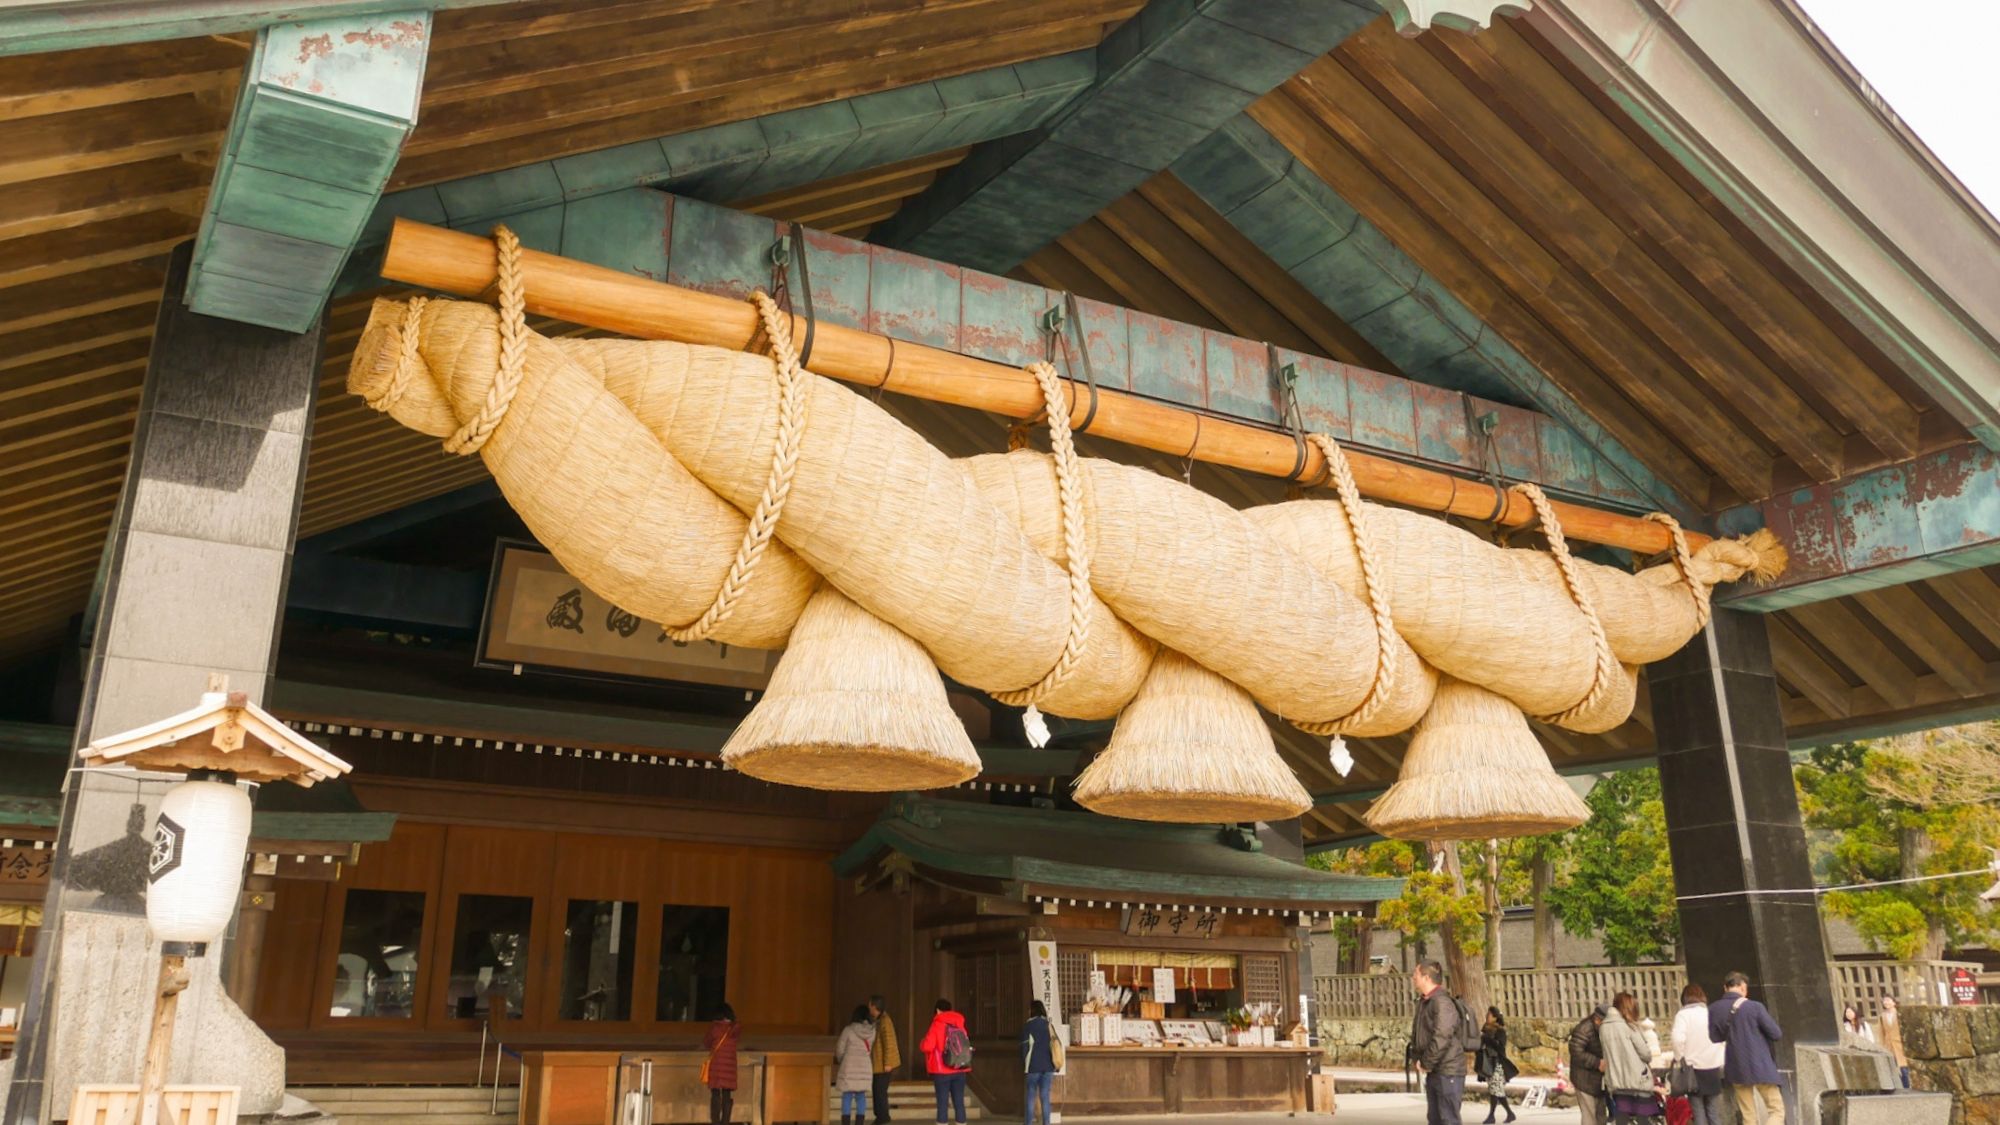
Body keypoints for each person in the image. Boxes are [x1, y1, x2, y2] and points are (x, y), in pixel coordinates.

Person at [1709, 973, 1784, 1125]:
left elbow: (1715, 1038)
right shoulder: (1754, 1007)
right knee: (1776, 1110)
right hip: (1760, 1065)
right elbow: (1776, 1034)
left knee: (1748, 1115)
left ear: (1725, 988)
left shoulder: (1713, 1009)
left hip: (1736, 1066)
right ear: (1743, 987)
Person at [1409, 961, 1465, 1125]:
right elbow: (1421, 1035)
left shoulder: (1441, 1002)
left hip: (1448, 1070)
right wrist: (1417, 1058)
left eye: (1416, 974)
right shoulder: (1425, 1001)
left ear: (1426, 978)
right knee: (1435, 1119)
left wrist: (1426, 1062)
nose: (1413, 977)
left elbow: (1442, 1036)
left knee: (1448, 1119)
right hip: (1436, 1070)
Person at [1601, 992, 1667, 1125]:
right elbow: (1645, 1054)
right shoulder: (1630, 1027)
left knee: (1622, 1116)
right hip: (1638, 1080)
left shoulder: (1604, 1027)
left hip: (1617, 1079)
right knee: (1643, 1117)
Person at [1669, 983, 1726, 1125]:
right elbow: (1722, 1038)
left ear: (1685, 998)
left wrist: (1679, 1057)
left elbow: (1677, 1039)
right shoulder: (1710, 1013)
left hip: (1693, 1070)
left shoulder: (1683, 1015)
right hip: (1713, 1067)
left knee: (1698, 1111)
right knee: (1713, 1110)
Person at [920, 998, 971, 1125]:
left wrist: (921, 1043)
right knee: (959, 1102)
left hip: (942, 1070)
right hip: (959, 1068)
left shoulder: (937, 1024)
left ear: (937, 1010)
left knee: (942, 1104)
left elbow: (928, 1046)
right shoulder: (960, 1023)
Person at [1569, 1005, 1611, 1125]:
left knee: (1601, 1115)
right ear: (1598, 1020)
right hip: (1584, 1079)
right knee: (1589, 1116)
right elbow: (1575, 1051)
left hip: (1598, 1080)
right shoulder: (1584, 1029)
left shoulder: (1601, 1029)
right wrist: (1597, 1063)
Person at [1478, 1006, 1520, 1124]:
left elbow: (1500, 1047)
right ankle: (1509, 1114)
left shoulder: (1500, 1031)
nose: (1487, 1016)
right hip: (1487, 1063)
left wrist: (1486, 1038)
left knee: (1496, 1090)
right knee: (1495, 1090)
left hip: (1497, 1064)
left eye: (1490, 1014)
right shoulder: (1485, 1029)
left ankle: (1493, 1116)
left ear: (1495, 1017)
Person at [836, 1005, 877, 1125]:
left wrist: (841, 1060)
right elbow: (869, 1049)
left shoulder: (848, 1030)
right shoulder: (872, 1031)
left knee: (847, 1096)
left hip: (849, 1066)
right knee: (861, 1096)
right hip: (865, 1065)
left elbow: (840, 1049)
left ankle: (846, 1122)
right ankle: (860, 1123)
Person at [1021, 1000, 1058, 1125]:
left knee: (1031, 1096)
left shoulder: (1028, 1026)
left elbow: (1025, 1047)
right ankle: (1046, 1123)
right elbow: (1055, 1045)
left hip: (1033, 1066)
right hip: (1048, 1067)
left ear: (1032, 1010)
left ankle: (1028, 1123)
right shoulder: (1048, 1025)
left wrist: (1024, 1064)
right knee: (1045, 1097)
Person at [702, 1003, 740, 1125]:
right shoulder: (734, 1029)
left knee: (715, 1093)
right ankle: (725, 1122)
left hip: (716, 1067)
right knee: (727, 1093)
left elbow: (707, 1043)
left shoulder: (715, 1028)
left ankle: (715, 1122)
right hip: (730, 1067)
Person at [870, 995, 901, 1123]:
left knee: (880, 1091)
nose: (869, 1008)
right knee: (878, 1090)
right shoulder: (879, 1020)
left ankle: (882, 1117)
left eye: (870, 1005)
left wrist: (888, 1062)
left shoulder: (884, 1021)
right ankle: (881, 1116)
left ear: (874, 1006)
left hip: (883, 1064)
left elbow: (889, 1042)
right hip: (879, 1063)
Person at [1879, 996, 1909, 1088]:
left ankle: (1906, 1087)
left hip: (1900, 1044)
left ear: (1894, 1002)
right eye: (1884, 1000)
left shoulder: (1900, 1014)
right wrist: (1882, 1046)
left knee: (1904, 1068)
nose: (1886, 1002)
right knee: (1892, 1067)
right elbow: (1881, 1032)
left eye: (1888, 1000)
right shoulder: (1882, 1016)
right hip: (1889, 1045)